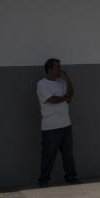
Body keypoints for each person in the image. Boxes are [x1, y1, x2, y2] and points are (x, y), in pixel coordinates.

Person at [36, 58, 79, 187]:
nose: (60, 69)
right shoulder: (42, 84)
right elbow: (52, 99)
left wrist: (67, 78)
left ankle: (71, 177)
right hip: (50, 127)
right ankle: (44, 180)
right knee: (48, 155)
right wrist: (66, 98)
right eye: (58, 67)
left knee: (68, 154)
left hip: (66, 124)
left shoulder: (61, 83)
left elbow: (71, 94)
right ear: (50, 69)